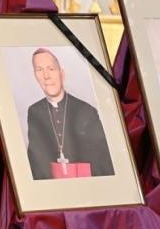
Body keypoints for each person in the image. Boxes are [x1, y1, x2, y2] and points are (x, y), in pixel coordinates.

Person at [26, 48, 114, 180]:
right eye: (39, 70)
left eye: (51, 69)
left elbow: (103, 161)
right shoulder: (34, 111)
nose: (46, 76)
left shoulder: (87, 111)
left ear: (61, 73)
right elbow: (35, 161)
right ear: (35, 76)